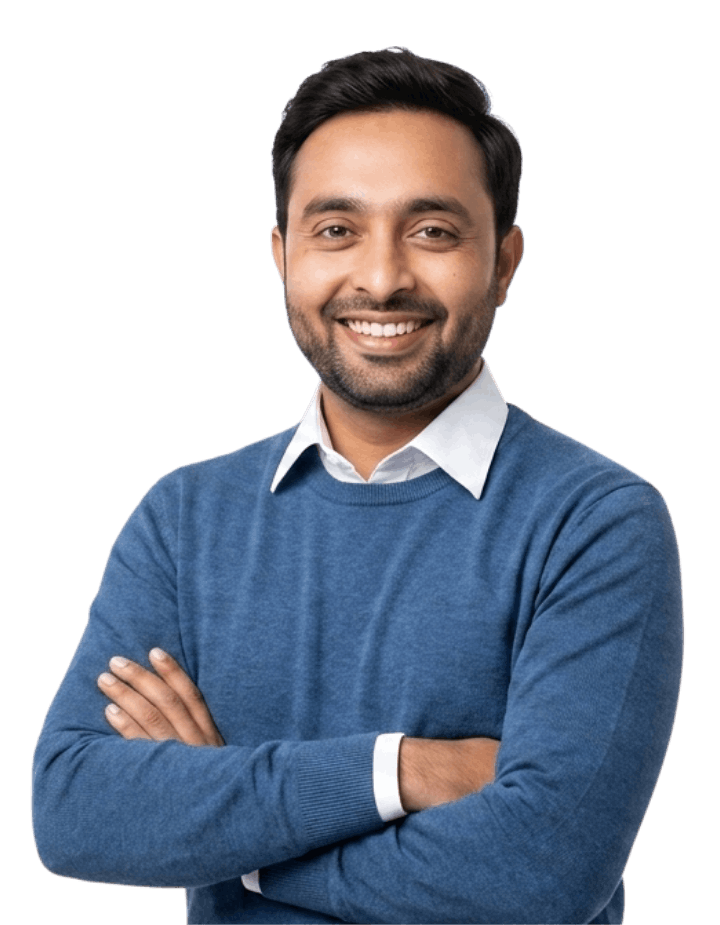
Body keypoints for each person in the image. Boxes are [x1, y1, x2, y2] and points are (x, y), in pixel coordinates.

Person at [31, 47, 683, 925]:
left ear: (505, 262)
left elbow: (543, 868)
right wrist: (402, 769)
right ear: (281, 255)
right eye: (337, 229)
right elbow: (75, 809)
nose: (381, 278)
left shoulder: (596, 521)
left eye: (433, 231)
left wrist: (234, 845)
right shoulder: (185, 519)